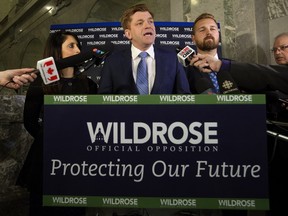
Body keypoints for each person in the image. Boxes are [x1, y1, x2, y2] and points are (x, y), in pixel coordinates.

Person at [17, 30, 97, 216]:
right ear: (56, 52)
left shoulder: (90, 85)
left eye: (78, 46)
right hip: (45, 159)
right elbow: (30, 121)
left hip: (78, 161)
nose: (77, 50)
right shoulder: (40, 82)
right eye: (71, 46)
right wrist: (51, 140)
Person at [97, 3, 190, 94]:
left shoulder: (172, 59)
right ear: (128, 34)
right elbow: (103, 101)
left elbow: (185, 98)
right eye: (140, 23)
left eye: (150, 21)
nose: (148, 26)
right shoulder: (112, 62)